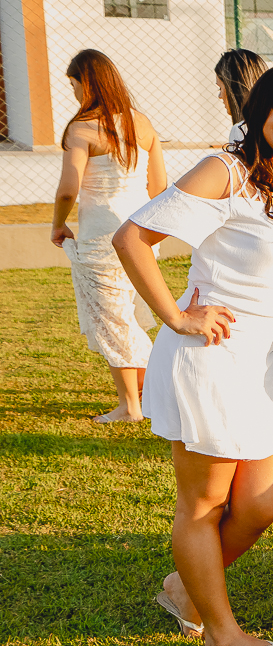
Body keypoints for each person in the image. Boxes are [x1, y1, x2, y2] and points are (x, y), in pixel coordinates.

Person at [113, 64, 273, 646]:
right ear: (258, 108)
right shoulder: (225, 170)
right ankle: (221, 634)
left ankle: (184, 590)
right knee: (204, 505)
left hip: (259, 363)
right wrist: (178, 318)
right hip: (209, 354)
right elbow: (132, 238)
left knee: (258, 505)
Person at [50, 49, 167, 423]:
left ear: (86, 84)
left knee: (113, 318)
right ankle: (148, 396)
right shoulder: (142, 123)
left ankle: (130, 406)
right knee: (128, 310)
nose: (72, 93)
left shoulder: (81, 129)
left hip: (101, 234)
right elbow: (159, 185)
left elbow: (69, 187)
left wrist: (58, 223)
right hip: (140, 232)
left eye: (73, 85)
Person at [216, 49, 268, 145]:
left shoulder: (240, 130)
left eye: (220, 88)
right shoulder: (272, 125)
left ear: (233, 89)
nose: (220, 96)